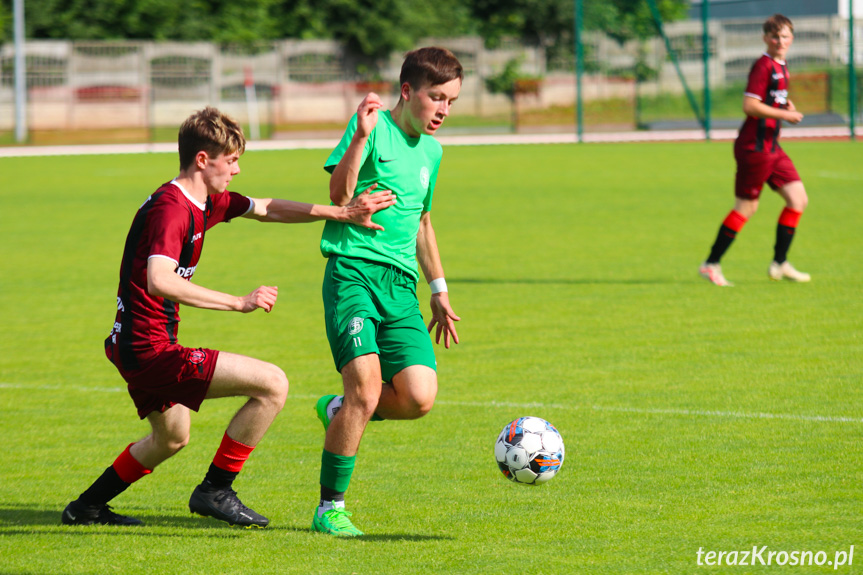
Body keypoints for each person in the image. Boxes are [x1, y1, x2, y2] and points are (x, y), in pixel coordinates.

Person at [61, 107, 395, 528]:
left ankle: (85, 507)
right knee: (273, 384)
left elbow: (267, 208)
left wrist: (342, 214)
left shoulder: (204, 202)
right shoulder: (172, 210)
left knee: (171, 438)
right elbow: (160, 279)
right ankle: (216, 489)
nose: (237, 169)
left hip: (137, 343)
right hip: (149, 349)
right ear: (203, 159)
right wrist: (238, 302)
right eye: (231, 159)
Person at [310, 47, 463, 536]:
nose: (442, 110)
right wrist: (357, 138)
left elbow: (423, 220)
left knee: (419, 397)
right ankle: (329, 508)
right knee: (366, 390)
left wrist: (438, 288)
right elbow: (338, 195)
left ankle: (337, 411)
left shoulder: (433, 153)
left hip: (400, 286)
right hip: (352, 270)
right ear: (407, 91)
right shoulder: (373, 129)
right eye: (435, 97)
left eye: (451, 101)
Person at [699, 13, 810, 287]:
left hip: (773, 148)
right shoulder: (763, 66)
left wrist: (786, 107)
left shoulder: (782, 65)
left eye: (785, 36)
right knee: (746, 207)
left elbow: (774, 97)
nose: (780, 41)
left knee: (798, 200)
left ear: (791, 38)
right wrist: (784, 116)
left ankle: (779, 263)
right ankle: (711, 264)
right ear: (765, 38)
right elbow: (750, 105)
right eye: (775, 36)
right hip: (755, 148)